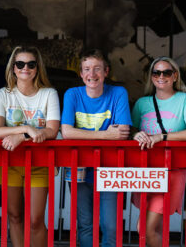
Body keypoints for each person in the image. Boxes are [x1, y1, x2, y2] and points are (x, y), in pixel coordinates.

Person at [61, 49, 132, 247]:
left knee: (110, 225)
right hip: (79, 165)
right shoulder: (72, 94)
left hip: (110, 167)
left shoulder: (118, 93)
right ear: (81, 74)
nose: (92, 74)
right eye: (87, 69)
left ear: (106, 71)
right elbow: (66, 132)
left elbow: (123, 132)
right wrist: (106, 134)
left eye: (97, 69)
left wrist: (83, 135)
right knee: (85, 224)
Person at [0, 46, 60, 247]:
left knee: (36, 219)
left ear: (38, 68)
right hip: (10, 162)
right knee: (14, 215)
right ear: (13, 68)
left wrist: (22, 136)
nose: (25, 68)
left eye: (31, 64)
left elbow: (51, 130)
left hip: (39, 164)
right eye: (20, 64)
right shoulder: (2, 95)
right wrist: (26, 131)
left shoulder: (49, 94)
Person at [131, 56, 186, 247]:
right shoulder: (142, 103)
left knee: (145, 229)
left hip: (171, 171)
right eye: (156, 72)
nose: (161, 76)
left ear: (174, 76)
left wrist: (162, 137)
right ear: (151, 77)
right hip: (145, 173)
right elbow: (132, 130)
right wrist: (136, 134)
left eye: (166, 72)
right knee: (153, 230)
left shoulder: (185, 100)